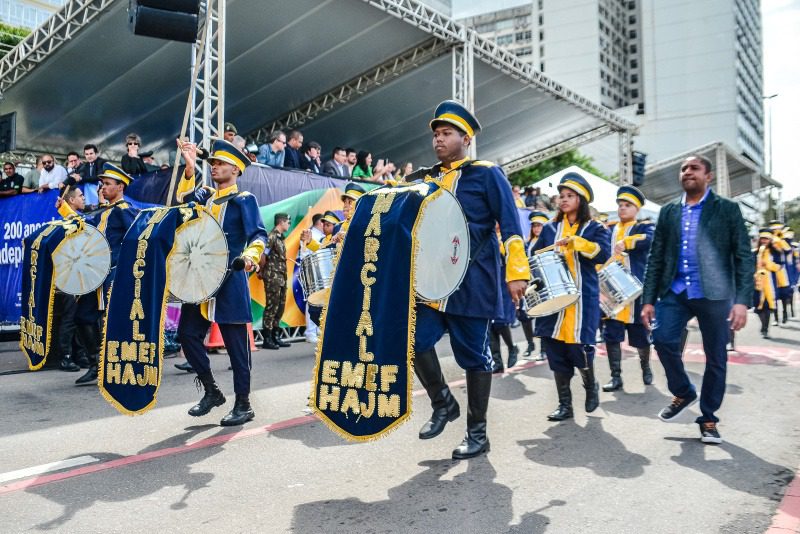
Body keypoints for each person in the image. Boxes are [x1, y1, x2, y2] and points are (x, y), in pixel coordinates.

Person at [412, 100, 529, 459]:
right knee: (411, 339)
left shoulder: (487, 173)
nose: (438, 140)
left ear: (466, 137)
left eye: (446, 133)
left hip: (473, 280)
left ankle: (477, 433)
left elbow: (510, 224)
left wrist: (517, 273)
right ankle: (443, 402)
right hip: (432, 283)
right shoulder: (425, 179)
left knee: (474, 358)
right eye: (435, 134)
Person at [641, 155, 752, 445]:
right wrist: (648, 299)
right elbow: (655, 257)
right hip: (675, 292)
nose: (687, 172)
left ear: (708, 176)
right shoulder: (668, 212)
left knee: (716, 356)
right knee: (663, 339)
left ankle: (709, 418)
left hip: (715, 295)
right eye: (683, 169)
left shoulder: (727, 209)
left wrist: (741, 300)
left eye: (694, 168)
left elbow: (743, 255)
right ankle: (684, 391)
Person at [175, 138, 268, 426]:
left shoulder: (244, 200)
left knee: (236, 345)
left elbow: (258, 235)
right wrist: (190, 167)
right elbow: (182, 202)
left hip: (230, 276)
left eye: (220, 163)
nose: (214, 167)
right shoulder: (204, 196)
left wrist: (250, 257)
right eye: (212, 163)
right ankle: (212, 391)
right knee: (188, 334)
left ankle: (244, 403)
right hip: (200, 279)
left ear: (236, 170)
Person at [532, 173, 611, 422]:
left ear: (582, 200)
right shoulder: (550, 228)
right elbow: (535, 256)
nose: (563, 200)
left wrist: (578, 243)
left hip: (581, 300)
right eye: (561, 196)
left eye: (570, 196)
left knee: (580, 347)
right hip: (554, 300)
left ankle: (590, 386)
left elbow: (603, 254)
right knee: (555, 349)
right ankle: (564, 404)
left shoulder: (595, 228)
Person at [57, 163, 139, 385]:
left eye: (108, 184)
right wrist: (65, 209)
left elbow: (139, 240)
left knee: (116, 321)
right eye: (102, 184)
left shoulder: (125, 210)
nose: (102, 188)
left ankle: (121, 367)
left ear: (121, 187)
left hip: (116, 276)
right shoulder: (106, 211)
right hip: (97, 276)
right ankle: (96, 364)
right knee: (82, 316)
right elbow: (85, 227)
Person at [601, 185, 655, 392]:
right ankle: (616, 376)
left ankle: (646, 367)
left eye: (628, 205)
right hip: (612, 292)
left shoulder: (644, 227)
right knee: (611, 335)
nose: (623, 208)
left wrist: (627, 242)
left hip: (635, 293)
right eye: (620, 205)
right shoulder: (609, 228)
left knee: (640, 335)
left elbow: (649, 239)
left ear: (637, 209)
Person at [258, 213, 291, 350]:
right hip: (272, 277)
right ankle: (267, 338)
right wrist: (260, 270)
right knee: (272, 306)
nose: (289, 224)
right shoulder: (271, 236)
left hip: (281, 277)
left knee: (280, 306)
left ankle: (276, 336)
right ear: (281, 222)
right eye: (288, 222)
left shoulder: (279, 237)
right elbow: (263, 255)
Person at [519, 210, 549, 360]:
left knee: (542, 315)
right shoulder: (527, 242)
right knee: (524, 316)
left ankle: (543, 350)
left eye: (540, 225)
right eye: (535, 225)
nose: (537, 228)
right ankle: (530, 344)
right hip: (529, 281)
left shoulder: (547, 241)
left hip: (543, 282)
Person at [753, 228, 781, 339]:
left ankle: (765, 329)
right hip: (757, 282)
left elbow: (780, 266)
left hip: (770, 283)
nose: (764, 241)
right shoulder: (754, 252)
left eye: (767, 239)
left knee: (767, 307)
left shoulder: (775, 252)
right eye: (763, 239)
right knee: (758, 307)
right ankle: (763, 325)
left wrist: (768, 264)